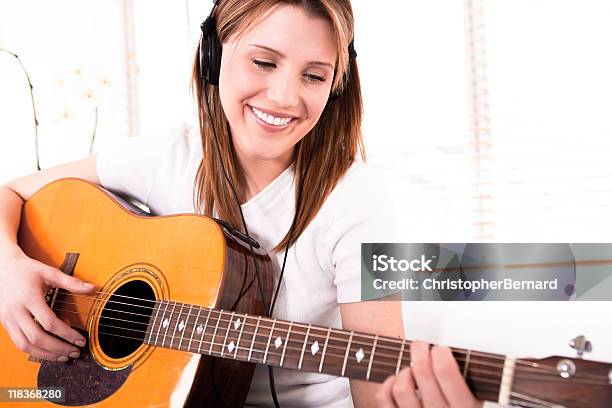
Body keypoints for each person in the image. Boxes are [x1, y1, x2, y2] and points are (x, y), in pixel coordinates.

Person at [0, 0, 485, 406]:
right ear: (214, 56)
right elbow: (11, 191)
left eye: (314, 76)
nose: (284, 96)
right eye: (264, 62)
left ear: (336, 87)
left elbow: (378, 381)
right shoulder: (168, 158)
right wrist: (9, 267)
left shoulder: (359, 201)